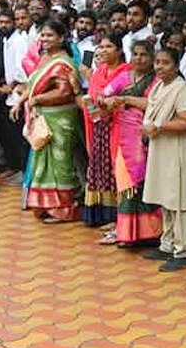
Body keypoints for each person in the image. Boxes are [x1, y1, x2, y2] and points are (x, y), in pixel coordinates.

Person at [139, 46, 186, 271]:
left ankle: (182, 249)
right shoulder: (159, 87)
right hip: (162, 150)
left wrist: (158, 126)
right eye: (157, 62)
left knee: (180, 201)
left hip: (179, 151)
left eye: (165, 62)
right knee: (166, 199)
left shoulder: (182, 90)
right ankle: (167, 244)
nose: (159, 66)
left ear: (176, 66)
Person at [10, 20, 83, 223]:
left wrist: (36, 100)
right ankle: (46, 205)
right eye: (43, 35)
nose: (45, 39)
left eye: (50, 35)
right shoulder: (44, 59)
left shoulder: (64, 62)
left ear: (61, 38)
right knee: (42, 161)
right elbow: (31, 84)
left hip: (60, 117)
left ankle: (64, 209)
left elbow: (64, 92)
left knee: (60, 162)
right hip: (43, 117)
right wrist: (20, 102)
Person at [100, 39, 162, 248]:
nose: (139, 58)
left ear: (152, 58)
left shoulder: (156, 81)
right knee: (125, 182)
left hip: (144, 138)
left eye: (144, 54)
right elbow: (105, 93)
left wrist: (125, 100)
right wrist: (102, 101)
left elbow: (155, 104)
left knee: (145, 182)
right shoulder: (124, 77)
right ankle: (128, 233)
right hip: (121, 137)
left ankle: (150, 232)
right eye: (135, 54)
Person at [82, 32, 129, 234]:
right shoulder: (99, 72)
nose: (103, 50)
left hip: (118, 126)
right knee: (100, 167)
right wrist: (94, 112)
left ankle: (118, 217)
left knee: (115, 170)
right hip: (99, 126)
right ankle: (101, 214)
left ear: (119, 50)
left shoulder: (126, 72)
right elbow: (91, 98)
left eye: (108, 46)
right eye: (100, 47)